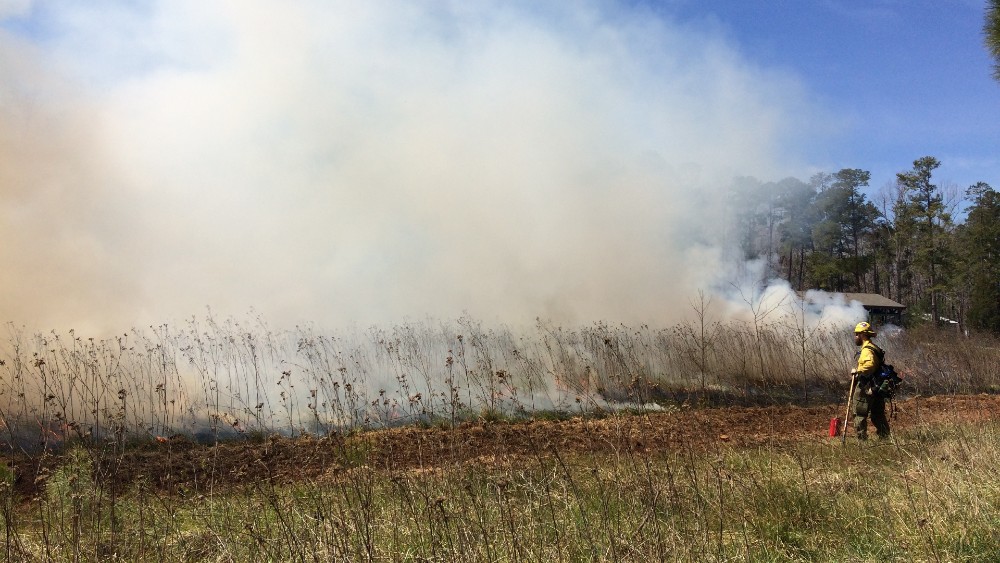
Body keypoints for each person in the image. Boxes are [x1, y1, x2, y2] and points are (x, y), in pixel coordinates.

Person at [850, 321, 890, 440]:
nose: (855, 336)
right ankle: (885, 437)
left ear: (862, 335)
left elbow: (869, 365)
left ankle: (862, 440)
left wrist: (857, 371)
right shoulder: (873, 347)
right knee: (878, 414)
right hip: (876, 386)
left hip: (866, 385)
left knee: (859, 413)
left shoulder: (867, 350)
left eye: (857, 334)